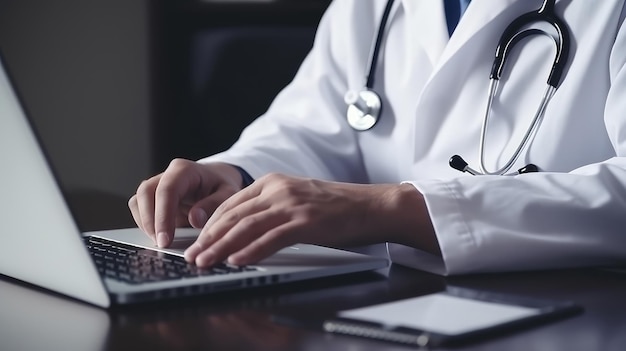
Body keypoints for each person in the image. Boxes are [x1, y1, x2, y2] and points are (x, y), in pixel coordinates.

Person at [129, 0, 626, 275]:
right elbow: (314, 125)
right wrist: (236, 176)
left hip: (574, 313)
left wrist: (388, 209)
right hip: (388, 306)